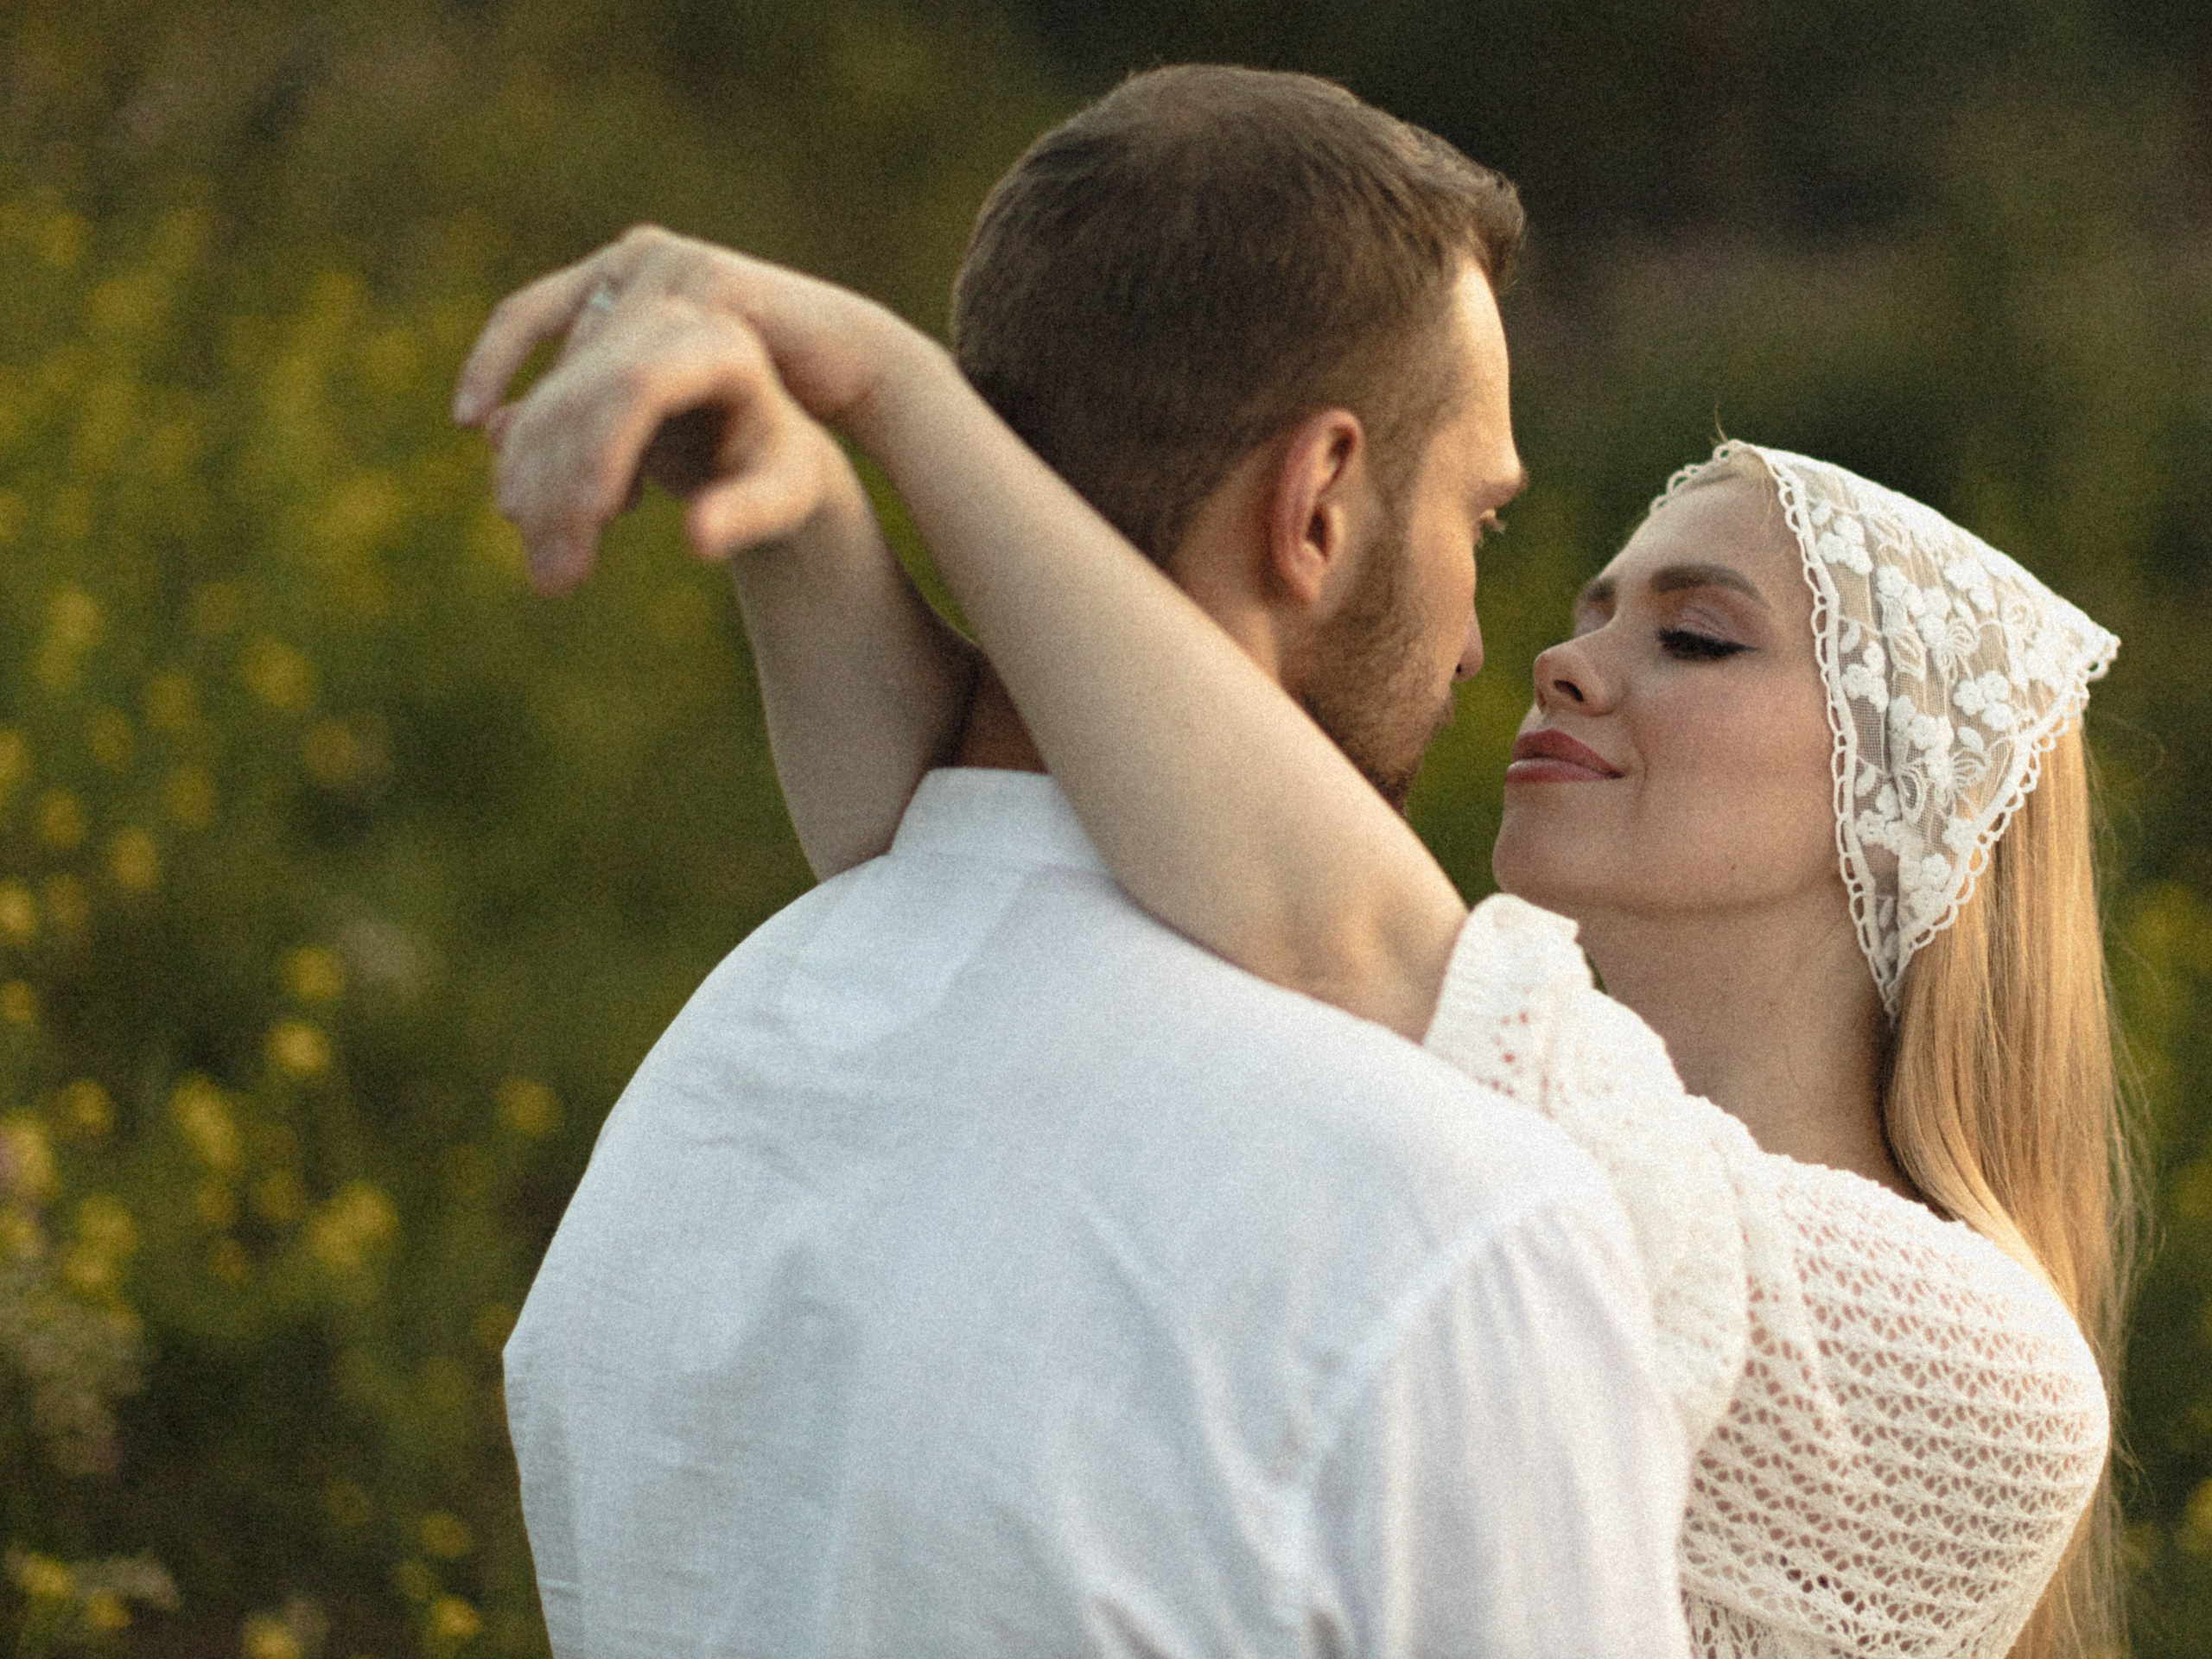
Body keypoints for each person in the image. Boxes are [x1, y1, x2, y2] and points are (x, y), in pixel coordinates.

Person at [458, 121, 2132, 1659]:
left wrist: (891, 391)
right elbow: (979, 829)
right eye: (1575, 597)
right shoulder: (1411, 1104)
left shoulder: (1979, 1373)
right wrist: (807, 517)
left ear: (1899, 819)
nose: (1551, 659)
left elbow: (1326, 926)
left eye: (1690, 636)